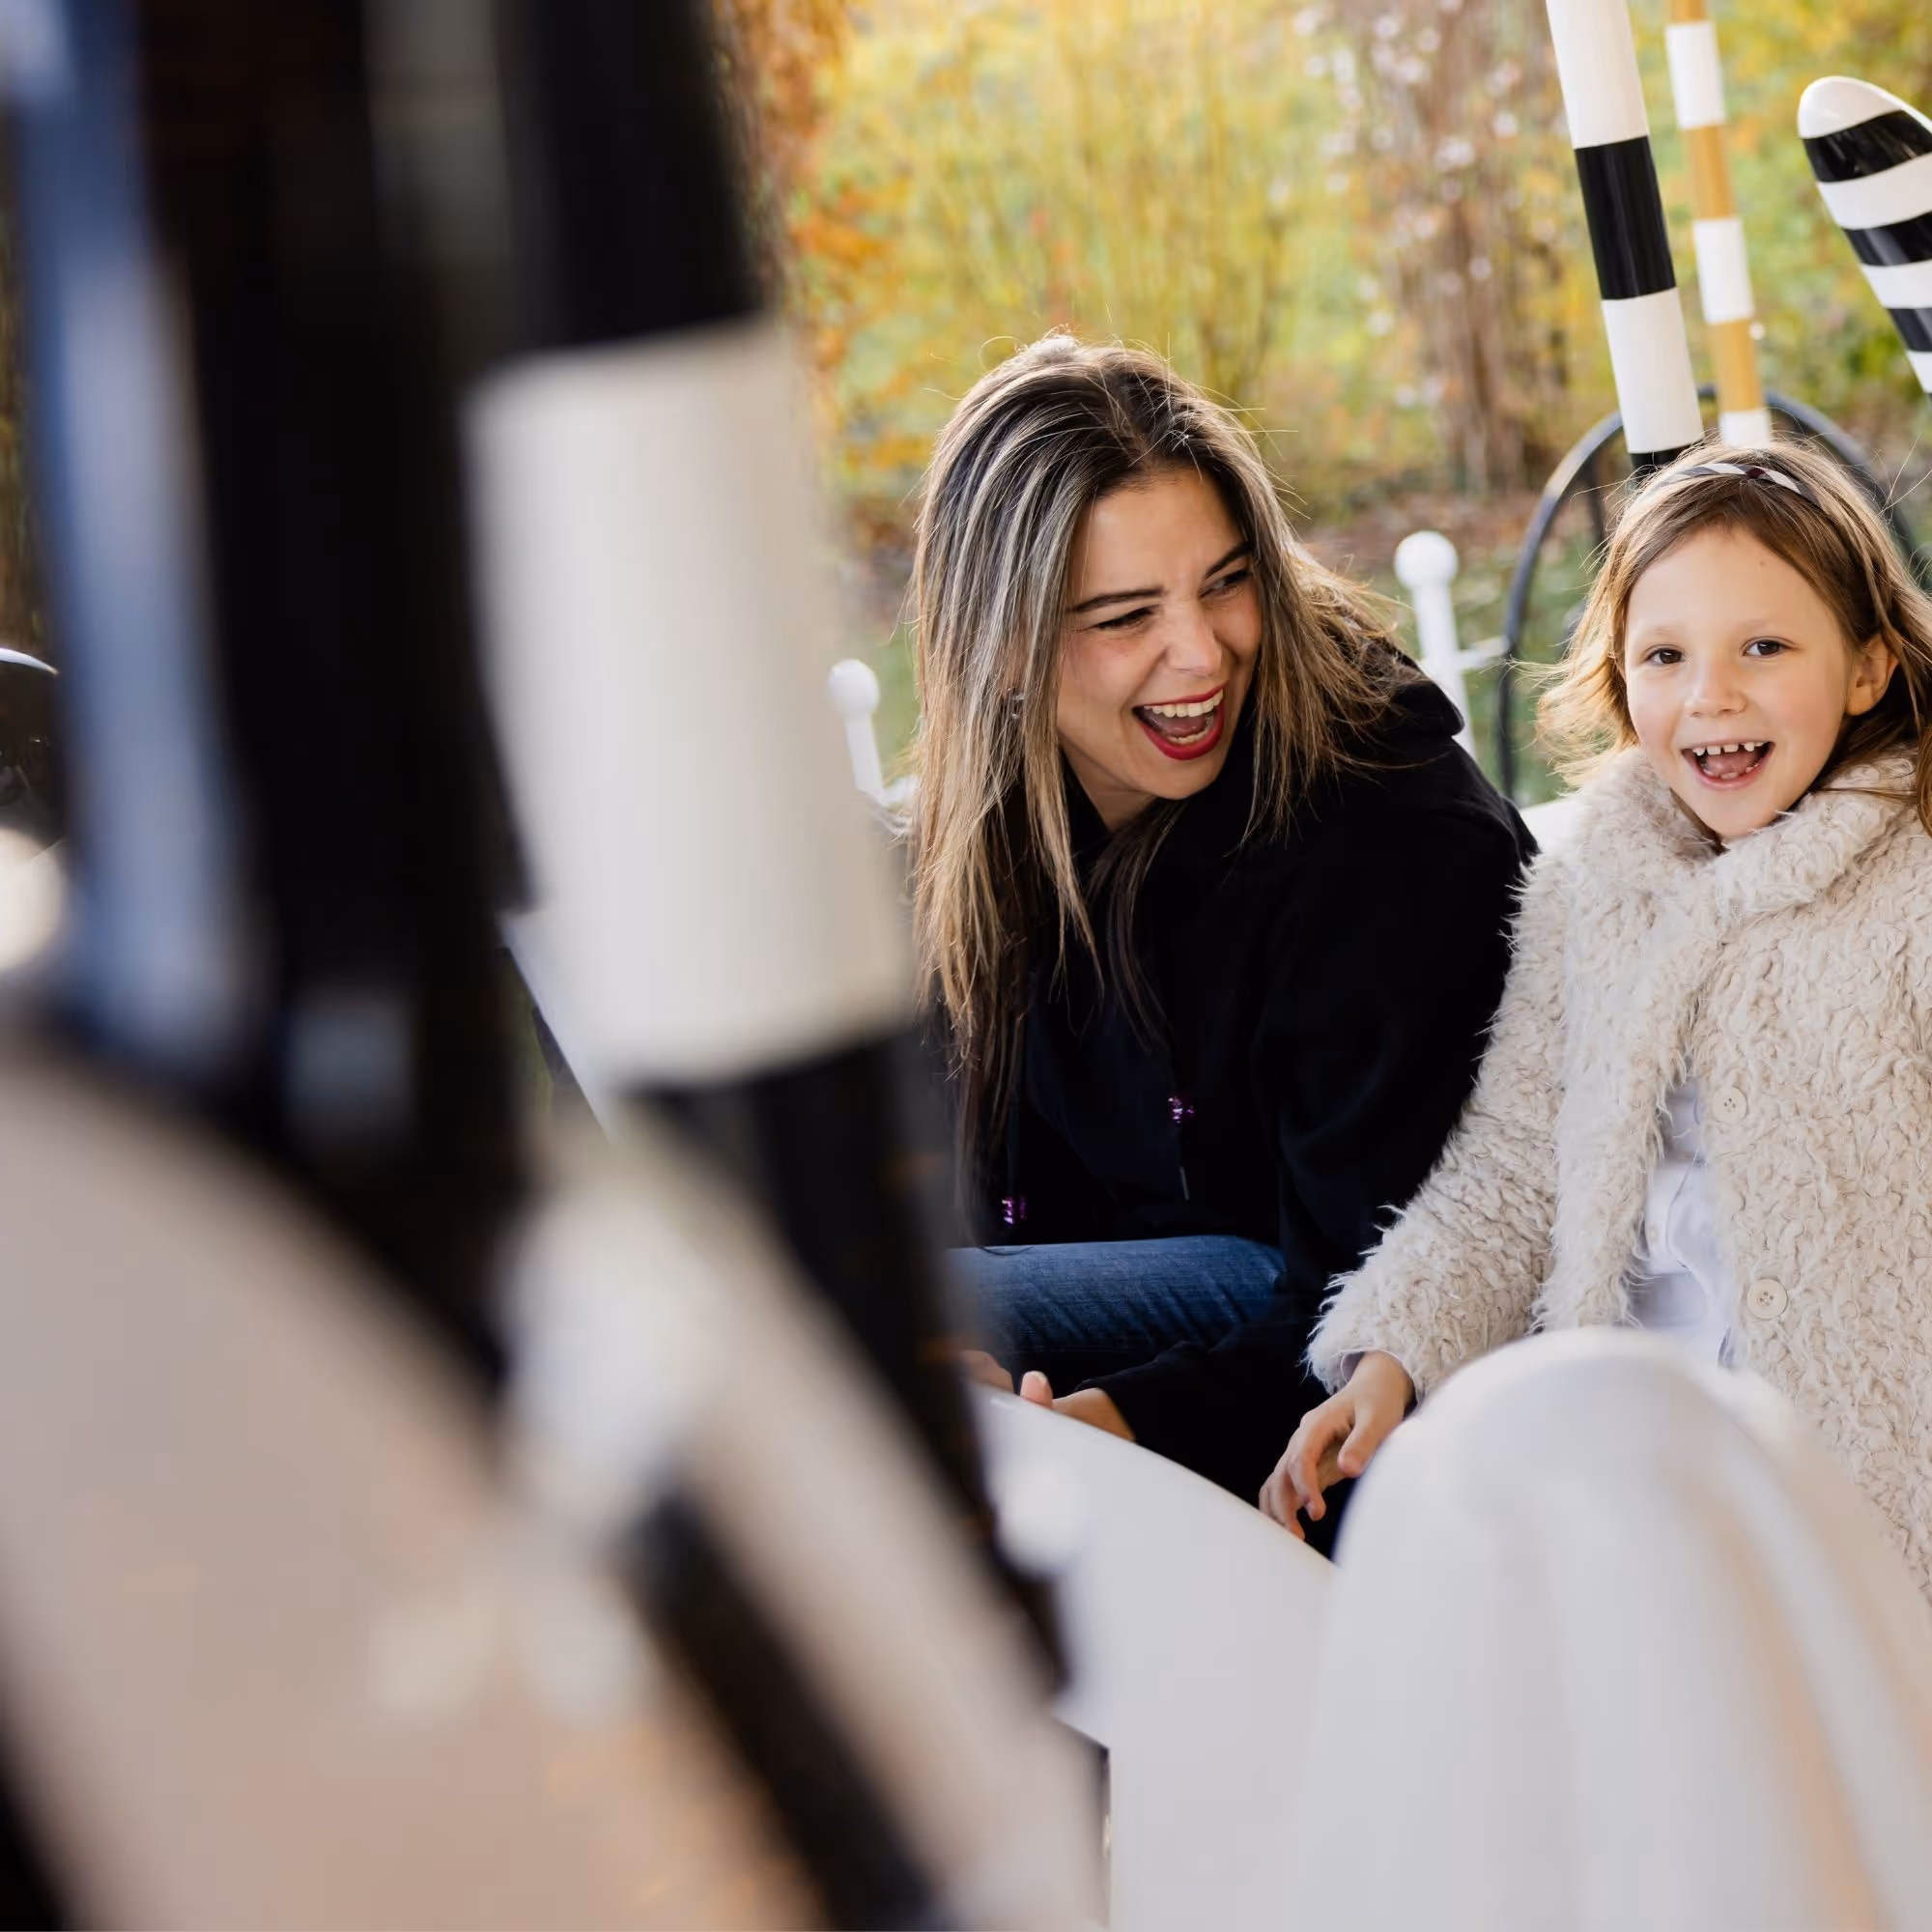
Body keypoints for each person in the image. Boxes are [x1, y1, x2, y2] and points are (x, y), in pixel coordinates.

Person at [1269, 442, 1932, 1597]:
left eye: (1762, 648)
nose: (1708, 696)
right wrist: (1392, 1353)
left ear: (1867, 666)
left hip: (1871, 1485)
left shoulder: (1908, 884)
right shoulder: (1592, 887)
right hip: (1643, 1488)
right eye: (1663, 655)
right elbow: (1515, 1163)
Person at [909, 332, 1533, 1510]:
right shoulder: (1005, 829)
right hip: (1171, 1304)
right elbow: (995, 1195)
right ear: (996, 647)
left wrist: (1113, 1417)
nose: (1199, 652)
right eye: (1121, 615)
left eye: (1226, 580)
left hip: (1349, 1319)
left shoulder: (1386, 838)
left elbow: (1394, 1272)